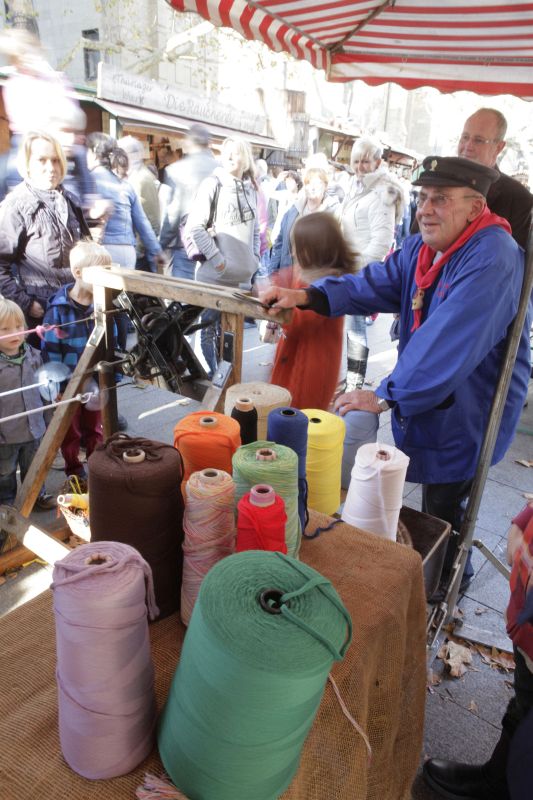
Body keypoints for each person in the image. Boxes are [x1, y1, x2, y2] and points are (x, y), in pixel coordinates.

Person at [259, 156, 531, 596]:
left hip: (471, 408)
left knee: (446, 503)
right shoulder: (423, 247)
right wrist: (307, 295)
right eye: (423, 197)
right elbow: (373, 283)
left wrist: (385, 394)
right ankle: (435, 572)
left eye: (440, 199)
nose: (425, 209)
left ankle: (444, 586)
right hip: (437, 398)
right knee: (434, 498)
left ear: (475, 208)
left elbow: (449, 339)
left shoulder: (494, 255)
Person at [423, 501, 533, 799]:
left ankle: (506, 784)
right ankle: (498, 777)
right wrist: (525, 518)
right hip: (526, 626)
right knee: (524, 701)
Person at [0, 131, 90, 342]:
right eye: (42, 160)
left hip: (76, 311)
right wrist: (27, 304)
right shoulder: (15, 206)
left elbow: (86, 250)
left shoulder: (71, 201)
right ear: (27, 164)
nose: (51, 168)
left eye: (56, 160)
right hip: (41, 318)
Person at [184, 136, 260, 376]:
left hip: (241, 280)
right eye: (226, 152)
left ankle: (225, 382)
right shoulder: (213, 184)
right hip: (214, 278)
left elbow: (255, 230)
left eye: (235, 152)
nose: (229, 157)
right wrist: (218, 261)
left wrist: (254, 260)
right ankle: (212, 381)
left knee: (231, 334)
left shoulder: (251, 190)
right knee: (207, 331)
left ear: (245, 159)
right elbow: (195, 227)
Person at [269, 212, 356, 409]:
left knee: (299, 417)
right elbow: (285, 277)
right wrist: (270, 285)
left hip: (309, 371)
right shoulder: (305, 271)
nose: (293, 254)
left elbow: (298, 323)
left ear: (314, 250)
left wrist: (276, 310)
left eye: (297, 248)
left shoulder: (327, 284)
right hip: (293, 362)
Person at [338, 136, 405, 390]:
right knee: (351, 327)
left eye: (365, 161)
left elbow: (381, 242)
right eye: (356, 161)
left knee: (356, 328)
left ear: (377, 162)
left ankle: (354, 383)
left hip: (360, 271)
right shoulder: (358, 187)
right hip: (347, 268)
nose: (359, 167)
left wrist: (357, 272)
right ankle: (351, 379)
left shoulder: (382, 192)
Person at [41, 241, 111, 482]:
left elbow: (110, 345)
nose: (105, 278)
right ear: (78, 272)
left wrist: (111, 378)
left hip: (94, 382)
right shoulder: (57, 311)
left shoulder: (103, 305)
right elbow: (50, 352)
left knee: (95, 429)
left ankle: (97, 467)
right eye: (100, 272)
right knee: (69, 431)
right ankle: (74, 470)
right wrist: (57, 387)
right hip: (68, 385)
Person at [0, 297, 55, 541]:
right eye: (5, 329)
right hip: (6, 436)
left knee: (35, 465)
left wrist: (49, 417)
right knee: (5, 472)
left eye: (18, 326)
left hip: (35, 428)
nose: (14, 333)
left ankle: (37, 494)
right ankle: (7, 504)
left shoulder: (34, 355)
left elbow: (44, 389)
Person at [457, 108, 533, 249]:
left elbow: (513, 257)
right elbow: (417, 239)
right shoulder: (439, 183)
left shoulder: (518, 197)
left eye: (478, 140)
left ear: (499, 147)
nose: (468, 146)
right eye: (465, 137)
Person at [159, 123, 217, 280]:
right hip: (216, 244)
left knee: (184, 292)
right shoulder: (221, 169)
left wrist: (161, 245)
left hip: (186, 243)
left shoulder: (177, 170)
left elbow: (173, 214)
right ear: (208, 143)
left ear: (189, 143)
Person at [269, 167, 339, 275]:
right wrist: (272, 273)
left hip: (316, 277)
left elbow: (336, 251)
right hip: (289, 276)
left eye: (317, 184)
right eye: (308, 183)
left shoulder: (333, 213)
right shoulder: (293, 210)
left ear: (325, 186)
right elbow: (280, 242)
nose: (312, 188)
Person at [117, 136, 162, 273]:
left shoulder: (141, 179)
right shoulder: (133, 177)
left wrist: (139, 250)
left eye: (122, 153)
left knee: (137, 284)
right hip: (135, 247)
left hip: (140, 252)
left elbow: (151, 219)